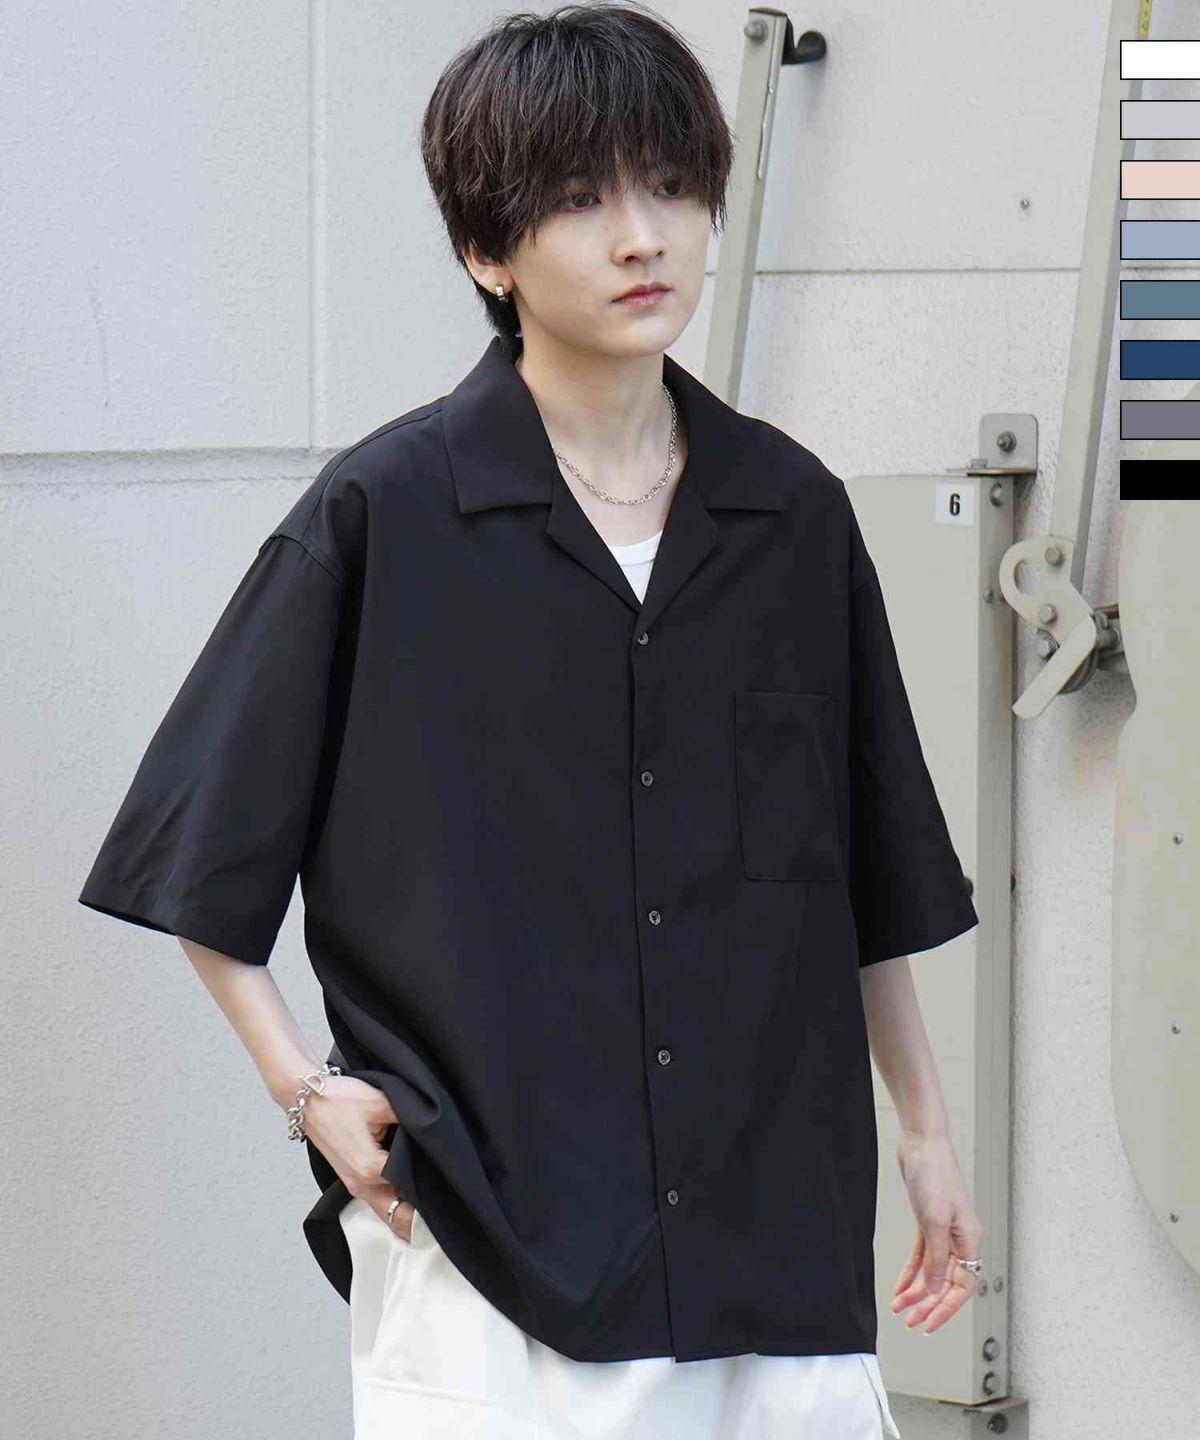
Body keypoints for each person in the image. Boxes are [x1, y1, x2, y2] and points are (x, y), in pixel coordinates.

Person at [78, 4, 984, 1436]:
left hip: (776, 1248)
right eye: (579, 200)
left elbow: (859, 873)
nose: (642, 237)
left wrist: (926, 1133)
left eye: (670, 187)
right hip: (495, 1258)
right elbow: (201, 854)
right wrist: (305, 1090)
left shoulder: (791, 515)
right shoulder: (383, 518)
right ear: (484, 252)